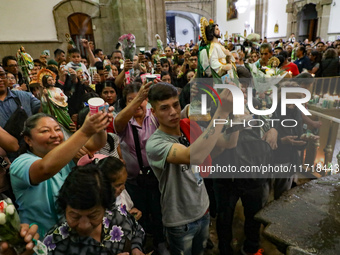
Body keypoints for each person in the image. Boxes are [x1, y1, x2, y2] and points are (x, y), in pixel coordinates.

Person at [146, 82, 235, 255]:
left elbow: (228, 143)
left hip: (202, 209)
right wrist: (222, 112)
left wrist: (234, 116)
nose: (172, 112)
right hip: (180, 220)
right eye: (164, 108)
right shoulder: (155, 144)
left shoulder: (188, 126)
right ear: (153, 112)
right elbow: (193, 156)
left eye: (175, 105)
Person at [10, 110, 111, 238]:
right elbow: (44, 169)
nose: (54, 135)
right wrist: (84, 131)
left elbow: (96, 143)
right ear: (28, 140)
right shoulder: (21, 163)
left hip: (71, 237)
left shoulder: (67, 154)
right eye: (45, 131)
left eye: (57, 129)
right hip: (40, 239)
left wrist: (100, 125)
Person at [113, 82, 169, 255]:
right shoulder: (124, 121)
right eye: (131, 100)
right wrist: (136, 100)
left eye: (141, 100)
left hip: (157, 176)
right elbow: (117, 122)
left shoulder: (153, 117)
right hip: (133, 180)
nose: (137, 104)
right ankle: (141, 244)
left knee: (159, 210)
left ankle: (160, 241)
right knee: (139, 213)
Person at [43, 164, 145, 255]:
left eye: (93, 216)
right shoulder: (54, 243)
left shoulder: (118, 215)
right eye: (75, 216)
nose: (84, 225)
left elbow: (137, 231)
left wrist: (135, 248)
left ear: (105, 207)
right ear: (64, 208)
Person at [198, 17, 233, 82]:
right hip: (218, 76)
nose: (219, 31)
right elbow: (213, 61)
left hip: (226, 74)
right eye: (217, 29)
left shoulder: (220, 45)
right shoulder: (211, 47)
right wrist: (224, 67)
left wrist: (229, 57)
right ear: (211, 31)